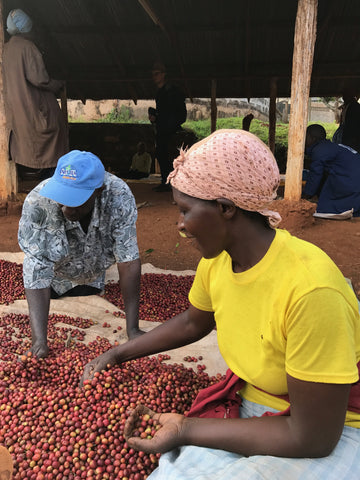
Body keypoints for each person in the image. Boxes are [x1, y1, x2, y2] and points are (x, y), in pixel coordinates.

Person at [81, 129, 360, 480]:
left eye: (184, 210)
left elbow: (313, 437)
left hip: (330, 428)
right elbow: (192, 323)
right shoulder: (218, 262)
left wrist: (187, 429)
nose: (179, 224)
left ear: (226, 209)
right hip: (254, 404)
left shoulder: (311, 291)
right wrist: (118, 354)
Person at [18, 150, 144, 359]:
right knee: (49, 292)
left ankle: (91, 281)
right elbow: (36, 264)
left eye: (76, 200)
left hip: (95, 265)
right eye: (62, 198)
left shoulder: (118, 195)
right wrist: (39, 342)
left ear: (98, 191)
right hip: (58, 268)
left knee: (87, 289)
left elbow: (128, 257)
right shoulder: (38, 202)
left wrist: (133, 330)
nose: (67, 208)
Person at [3, 8, 68, 180]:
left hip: (15, 109)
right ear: (27, 28)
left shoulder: (6, 48)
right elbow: (39, 79)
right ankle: (50, 173)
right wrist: (56, 84)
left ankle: (35, 171)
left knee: (21, 139)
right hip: (32, 105)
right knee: (55, 130)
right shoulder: (27, 47)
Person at [303, 124, 360, 218]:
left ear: (312, 138)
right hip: (354, 178)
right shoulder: (328, 147)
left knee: (325, 210)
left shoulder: (319, 150)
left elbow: (315, 175)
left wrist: (306, 196)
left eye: (306, 136)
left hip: (352, 181)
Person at [150, 62, 187, 192]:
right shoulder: (160, 92)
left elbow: (178, 111)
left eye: (157, 74)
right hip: (163, 128)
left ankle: (173, 181)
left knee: (170, 154)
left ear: (164, 75)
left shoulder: (172, 91)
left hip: (170, 129)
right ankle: (166, 180)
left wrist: (171, 125)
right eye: (153, 74)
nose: (154, 77)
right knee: (161, 154)